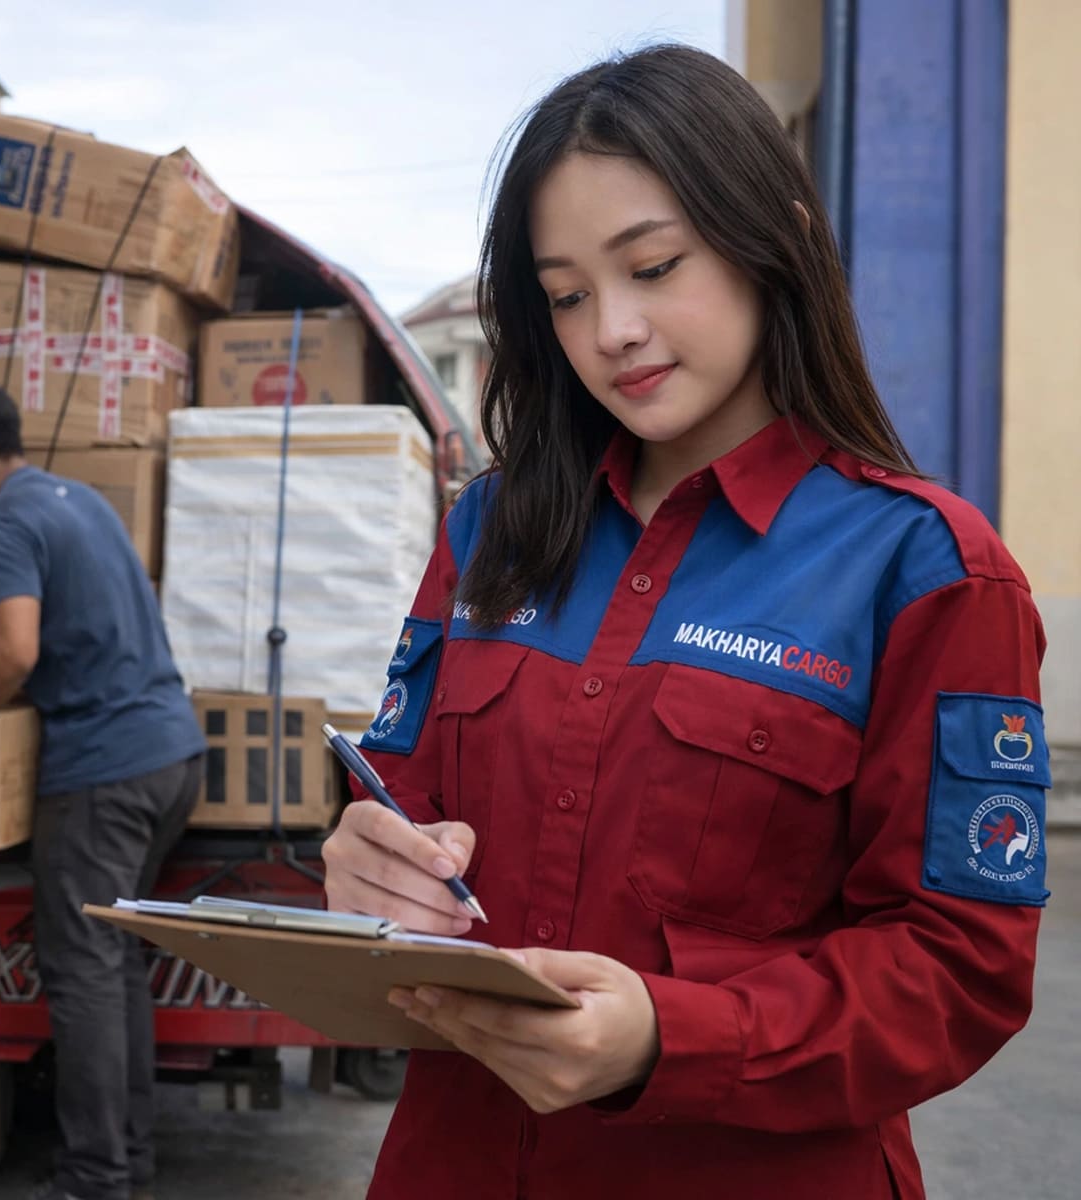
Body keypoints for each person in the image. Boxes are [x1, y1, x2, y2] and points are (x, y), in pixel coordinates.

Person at [323, 45, 1046, 1200]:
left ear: (778, 241)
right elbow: (396, 795)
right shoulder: (492, 531)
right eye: (565, 294)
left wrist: (670, 1036)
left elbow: (958, 970)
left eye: (654, 266)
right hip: (454, 1161)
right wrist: (368, 867)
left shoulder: (927, 571)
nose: (611, 328)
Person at [0, 377, 205, 1200]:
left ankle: (96, 1180)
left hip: (105, 773)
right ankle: (125, 1161)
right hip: (172, 754)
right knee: (115, 965)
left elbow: (11, 653)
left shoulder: (1, 523)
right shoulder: (80, 502)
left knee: (87, 973)